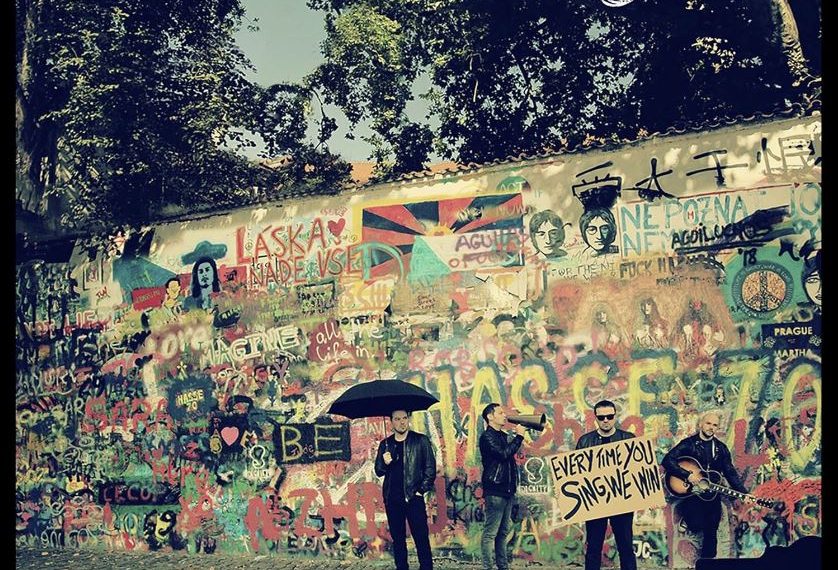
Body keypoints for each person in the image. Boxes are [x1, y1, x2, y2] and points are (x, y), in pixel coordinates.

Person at [661, 411, 750, 559]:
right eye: (708, 423)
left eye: (715, 425)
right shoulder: (688, 444)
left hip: (712, 495)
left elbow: (730, 472)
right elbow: (667, 460)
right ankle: (688, 520)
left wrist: (744, 492)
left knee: (711, 531)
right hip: (692, 494)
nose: (711, 427)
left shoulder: (721, 449)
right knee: (695, 524)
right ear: (701, 424)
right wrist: (687, 475)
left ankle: (708, 564)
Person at [575, 400, 637, 570]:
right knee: (594, 547)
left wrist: (648, 496)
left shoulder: (628, 439)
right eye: (601, 417)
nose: (605, 420)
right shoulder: (585, 441)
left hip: (622, 502)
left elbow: (639, 470)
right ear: (596, 418)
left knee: (625, 547)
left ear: (615, 416)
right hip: (595, 503)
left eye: (609, 416)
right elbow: (576, 474)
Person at [374, 409, 436, 570]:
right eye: (397, 419)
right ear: (391, 422)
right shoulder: (385, 444)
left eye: (404, 418)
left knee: (421, 538)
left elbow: (430, 468)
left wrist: (420, 491)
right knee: (398, 539)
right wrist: (384, 462)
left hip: (413, 498)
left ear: (408, 419)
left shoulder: (420, 441)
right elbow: (378, 471)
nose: (401, 422)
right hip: (393, 499)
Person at [479, 403, 527, 570]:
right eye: (500, 413)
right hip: (495, 490)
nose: (504, 415)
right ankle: (488, 567)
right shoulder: (487, 437)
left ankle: (502, 566)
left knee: (502, 533)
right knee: (490, 533)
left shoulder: (500, 435)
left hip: (506, 490)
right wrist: (519, 437)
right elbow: (503, 454)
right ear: (490, 416)